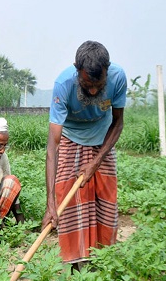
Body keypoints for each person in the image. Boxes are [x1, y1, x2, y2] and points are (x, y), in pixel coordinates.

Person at [42, 41, 127, 268]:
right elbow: (53, 145)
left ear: (107, 71)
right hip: (71, 136)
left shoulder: (118, 78)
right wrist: (50, 202)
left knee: (105, 201)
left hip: (103, 137)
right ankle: (75, 262)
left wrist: (95, 162)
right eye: (86, 83)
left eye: (98, 84)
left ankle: (103, 260)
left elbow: (118, 123)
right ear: (76, 68)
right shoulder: (63, 84)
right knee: (67, 199)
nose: (92, 90)